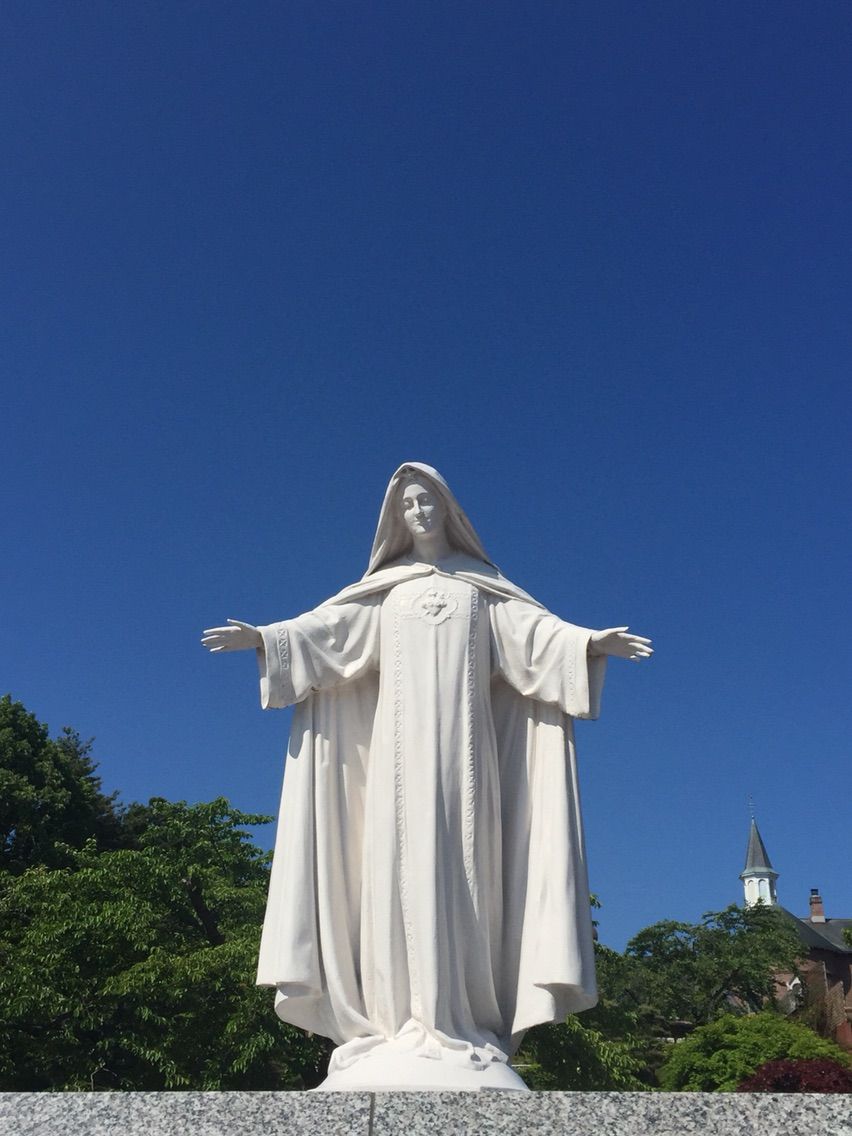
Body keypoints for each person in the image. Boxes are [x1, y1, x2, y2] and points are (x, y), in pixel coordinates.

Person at [201, 462, 652, 1090]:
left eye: (427, 501)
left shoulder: (483, 589)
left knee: (468, 872)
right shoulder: (384, 591)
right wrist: (266, 638)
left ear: (448, 509)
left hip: (471, 762)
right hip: (392, 763)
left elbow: (535, 641)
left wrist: (590, 643)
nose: (418, 512)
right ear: (395, 517)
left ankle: (464, 1023)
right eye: (407, 504)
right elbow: (326, 636)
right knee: (388, 874)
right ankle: (393, 1023)